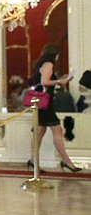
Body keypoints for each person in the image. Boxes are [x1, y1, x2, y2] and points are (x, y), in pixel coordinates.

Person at [28, 43, 82, 172]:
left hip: (42, 103)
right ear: (55, 55)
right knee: (57, 130)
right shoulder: (49, 64)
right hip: (46, 103)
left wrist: (61, 79)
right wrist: (59, 81)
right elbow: (45, 82)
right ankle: (67, 161)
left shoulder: (42, 64)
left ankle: (32, 161)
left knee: (39, 132)